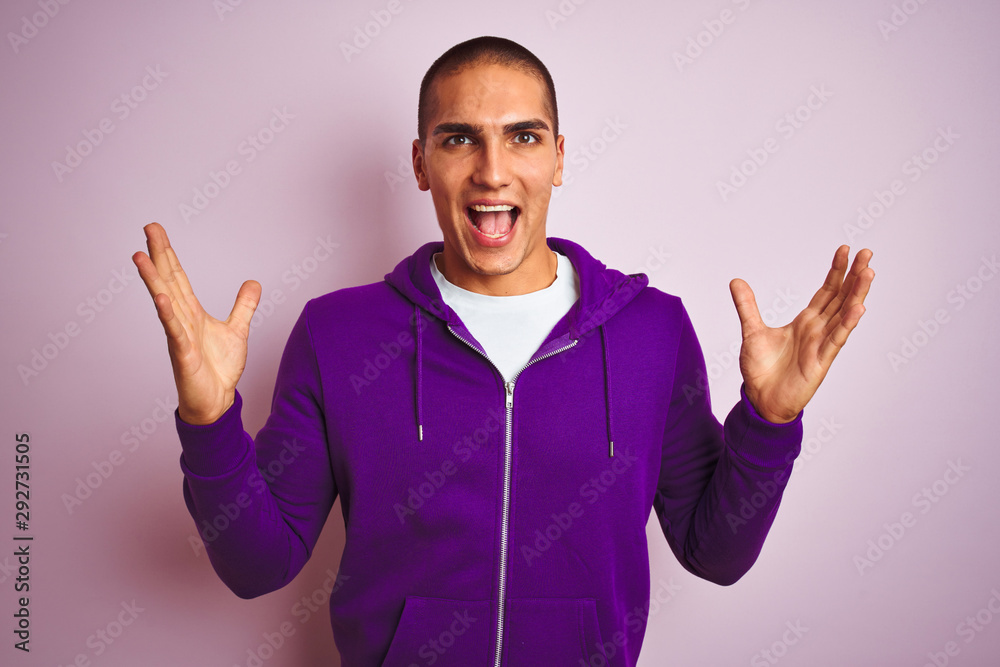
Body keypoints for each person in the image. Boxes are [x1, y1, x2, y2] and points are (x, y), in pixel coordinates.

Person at [133, 36, 873, 667]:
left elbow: (715, 552)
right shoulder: (337, 335)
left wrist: (770, 422)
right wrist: (208, 420)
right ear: (420, 162)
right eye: (460, 138)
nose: (492, 170)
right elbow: (257, 565)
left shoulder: (652, 332)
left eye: (523, 136)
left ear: (559, 157)